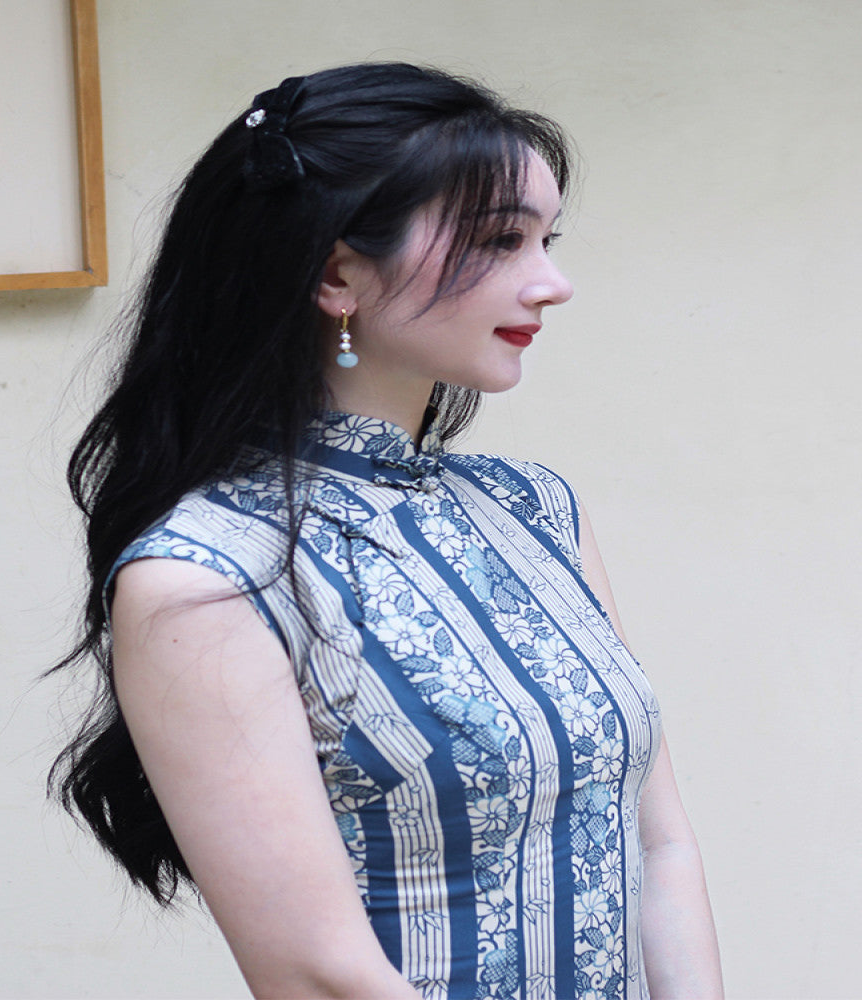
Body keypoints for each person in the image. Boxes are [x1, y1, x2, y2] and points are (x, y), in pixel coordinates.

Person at [51, 62, 723, 1000]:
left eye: (547, 239)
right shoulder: (208, 575)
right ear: (338, 273)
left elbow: (662, 845)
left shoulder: (535, 509)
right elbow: (318, 975)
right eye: (501, 240)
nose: (553, 283)